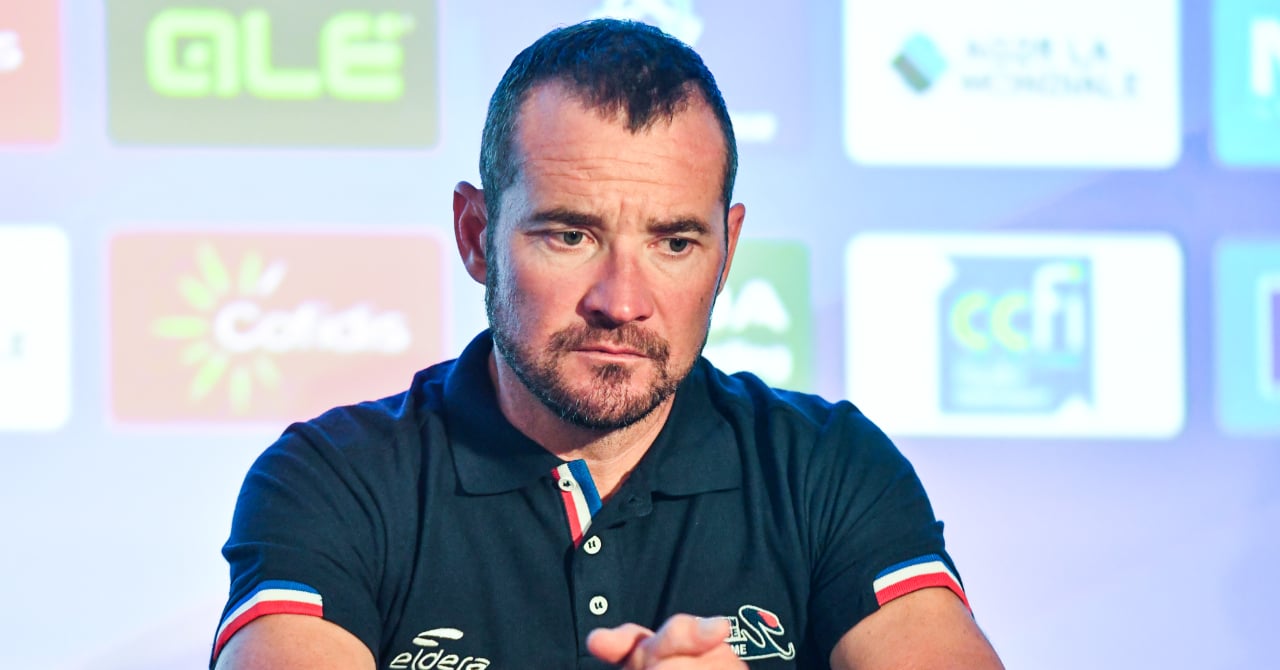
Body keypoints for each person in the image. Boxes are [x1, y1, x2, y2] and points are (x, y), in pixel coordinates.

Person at [210, 18, 1004, 670]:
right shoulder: (335, 480)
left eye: (674, 243)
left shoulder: (826, 467)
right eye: (570, 235)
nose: (621, 302)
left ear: (727, 252)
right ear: (477, 234)